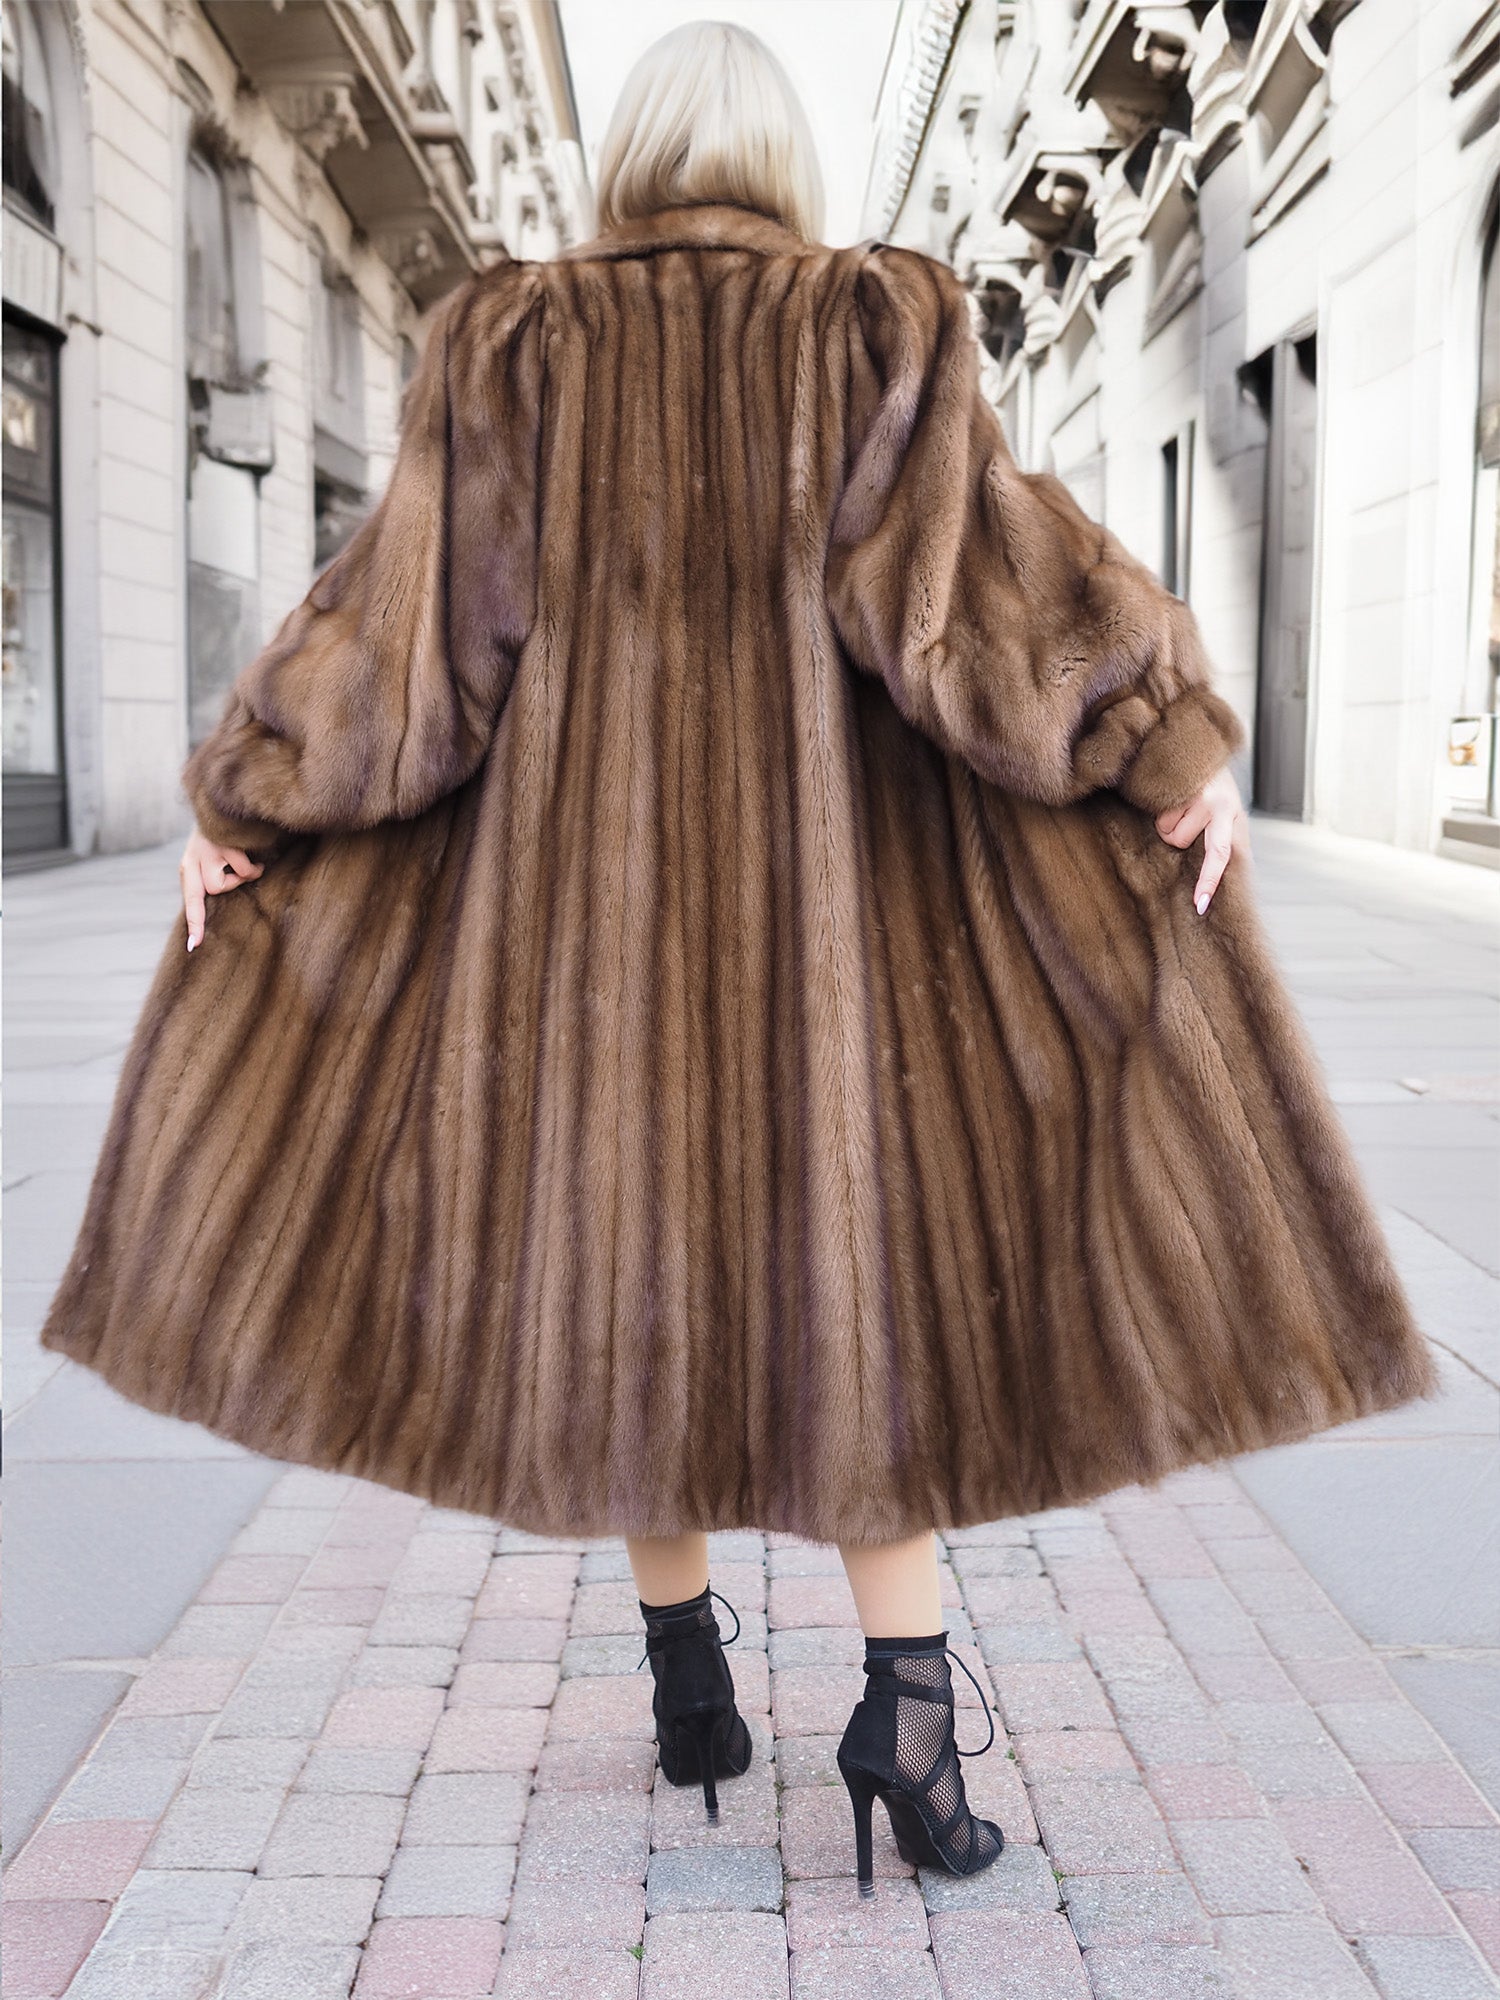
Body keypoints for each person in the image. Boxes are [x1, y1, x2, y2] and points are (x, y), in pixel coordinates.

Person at [41, 21, 1436, 1898]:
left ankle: (690, 1686)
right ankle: (908, 1728)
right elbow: (983, 599)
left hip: (594, 979)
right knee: (860, 1334)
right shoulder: (872, 326)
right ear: (781, 161)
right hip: (826, 978)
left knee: (636, 1310)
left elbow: (412, 633)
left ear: (633, 160)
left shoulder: (517, 343)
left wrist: (253, 790)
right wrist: (1163, 737)